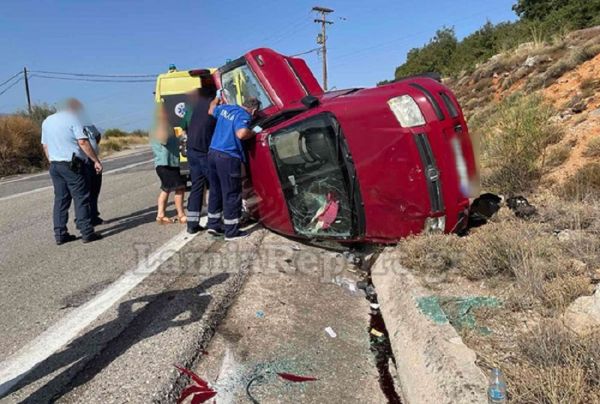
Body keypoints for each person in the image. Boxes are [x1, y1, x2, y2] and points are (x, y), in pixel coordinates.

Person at [41, 98, 103, 244]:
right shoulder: (73, 119)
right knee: (81, 197)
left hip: (55, 164)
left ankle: (60, 233)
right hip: (72, 164)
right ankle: (87, 232)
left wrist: (52, 160)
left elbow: (45, 145)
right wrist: (95, 160)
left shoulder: (47, 121)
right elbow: (82, 142)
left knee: (61, 199)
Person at [206, 96, 260, 241]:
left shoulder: (226, 108)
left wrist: (216, 99)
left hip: (212, 153)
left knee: (216, 191)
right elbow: (241, 134)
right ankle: (231, 231)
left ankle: (213, 224)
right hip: (228, 157)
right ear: (253, 111)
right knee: (232, 193)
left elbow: (211, 110)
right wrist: (254, 132)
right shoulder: (243, 115)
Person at [183, 87, 216, 234]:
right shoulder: (212, 105)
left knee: (197, 187)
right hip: (203, 150)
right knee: (215, 186)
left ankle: (192, 223)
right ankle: (215, 222)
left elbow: (184, 129)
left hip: (191, 150)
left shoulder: (193, 108)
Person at [152, 105, 187, 224]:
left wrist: (180, 137)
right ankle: (180, 214)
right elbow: (164, 139)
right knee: (178, 188)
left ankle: (161, 215)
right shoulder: (160, 126)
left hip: (171, 162)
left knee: (167, 189)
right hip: (165, 163)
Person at [83, 125, 103, 225]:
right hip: (83, 160)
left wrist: (93, 148)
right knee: (85, 192)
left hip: (93, 160)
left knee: (95, 189)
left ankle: (94, 215)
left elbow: (98, 136)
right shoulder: (71, 124)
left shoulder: (89, 125)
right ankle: (85, 218)